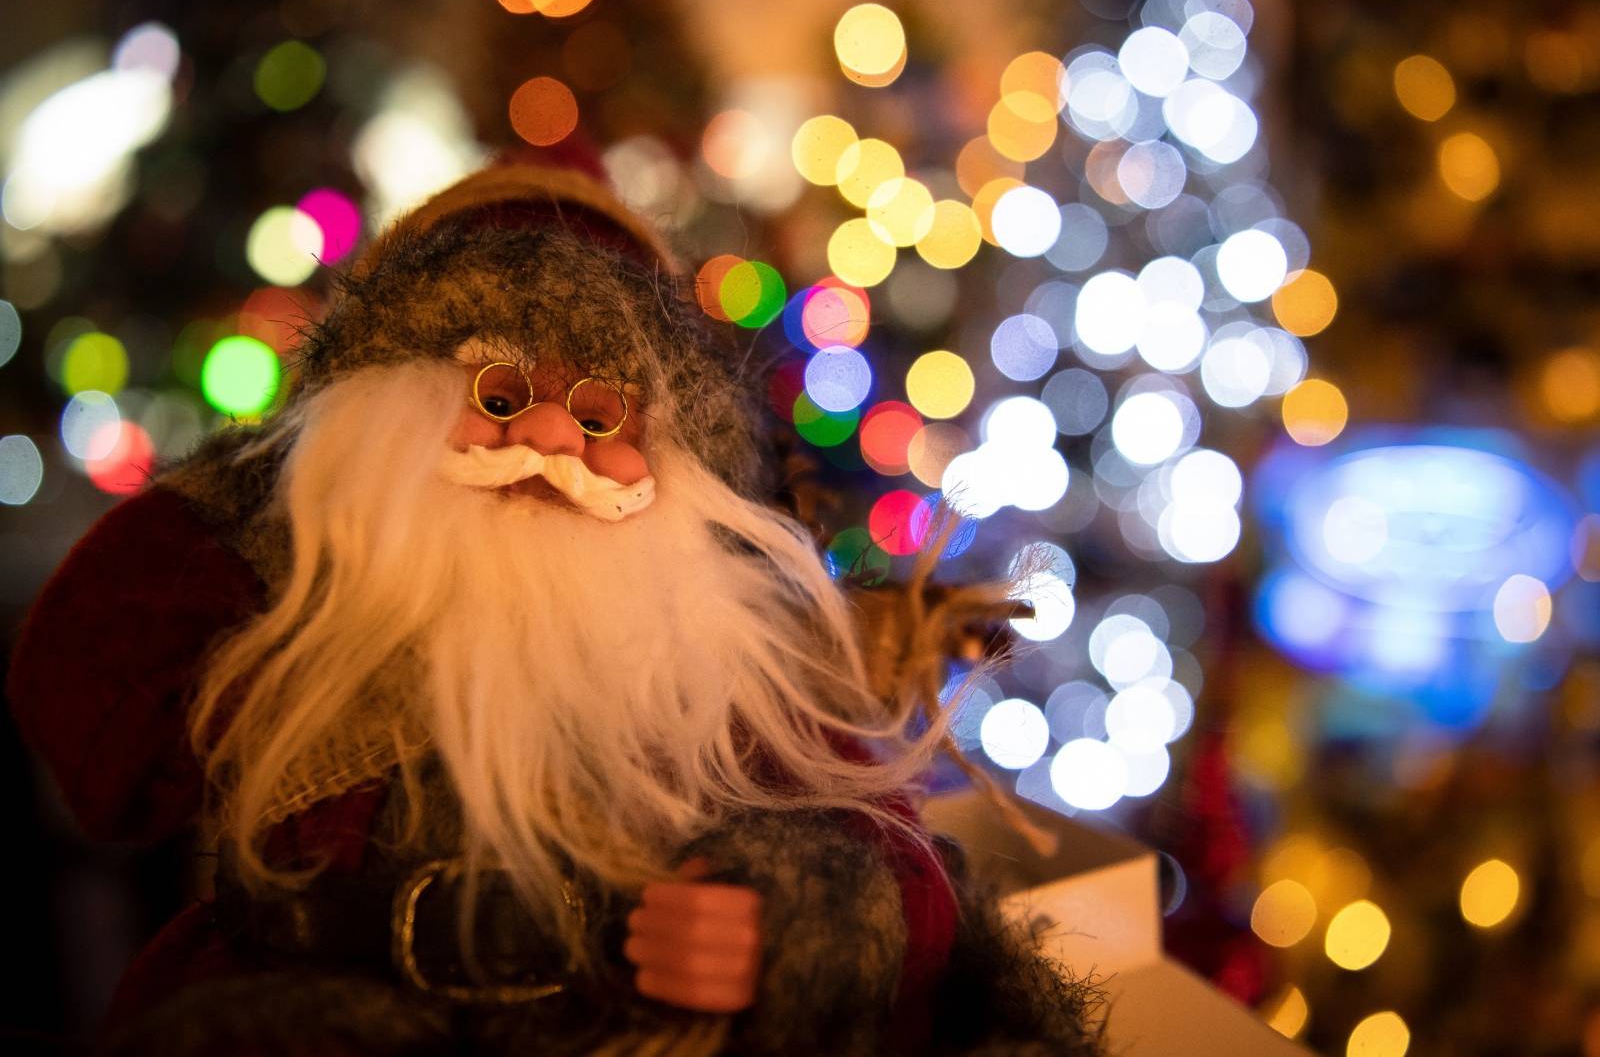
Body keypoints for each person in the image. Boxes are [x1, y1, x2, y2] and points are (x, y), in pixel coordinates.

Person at [10, 150, 1103, 1055]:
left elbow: (897, 861)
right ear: (383, 422)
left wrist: (784, 921)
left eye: (598, 412)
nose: (543, 439)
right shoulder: (292, 631)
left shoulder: (722, 648)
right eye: (495, 394)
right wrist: (274, 489)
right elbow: (85, 716)